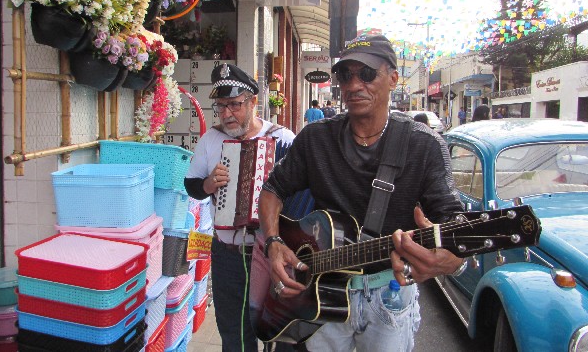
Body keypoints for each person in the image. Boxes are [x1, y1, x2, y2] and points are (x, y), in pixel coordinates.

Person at [257, 35, 465, 352]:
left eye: (367, 74)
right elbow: (273, 189)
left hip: (388, 295)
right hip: (321, 291)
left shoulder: (424, 145)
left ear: (393, 78)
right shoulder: (316, 139)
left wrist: (452, 260)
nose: (354, 85)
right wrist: (273, 242)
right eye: (345, 75)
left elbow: (453, 219)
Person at [184, 63, 296, 352]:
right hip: (228, 254)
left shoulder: (283, 139)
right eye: (220, 106)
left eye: (234, 104)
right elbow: (191, 185)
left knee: (280, 330)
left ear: (254, 102)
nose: (226, 114)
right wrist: (209, 184)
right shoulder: (210, 140)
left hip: (273, 252)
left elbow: (303, 197)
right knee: (234, 334)